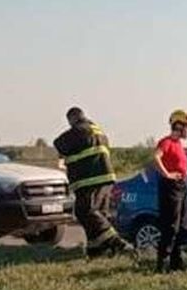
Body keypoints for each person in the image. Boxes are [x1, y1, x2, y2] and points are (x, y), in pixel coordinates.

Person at [53, 107, 130, 258]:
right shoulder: (98, 131)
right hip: (105, 178)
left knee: (85, 211)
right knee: (99, 214)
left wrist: (64, 153)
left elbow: (59, 143)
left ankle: (116, 242)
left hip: (89, 180)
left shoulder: (79, 129)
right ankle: (96, 251)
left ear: (72, 119)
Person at [151, 110, 187, 272]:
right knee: (171, 226)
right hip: (171, 188)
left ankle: (176, 263)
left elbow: (179, 163)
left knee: (183, 225)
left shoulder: (179, 145)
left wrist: (186, 173)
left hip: (182, 186)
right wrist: (167, 174)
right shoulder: (167, 142)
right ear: (178, 126)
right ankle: (162, 265)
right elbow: (156, 157)